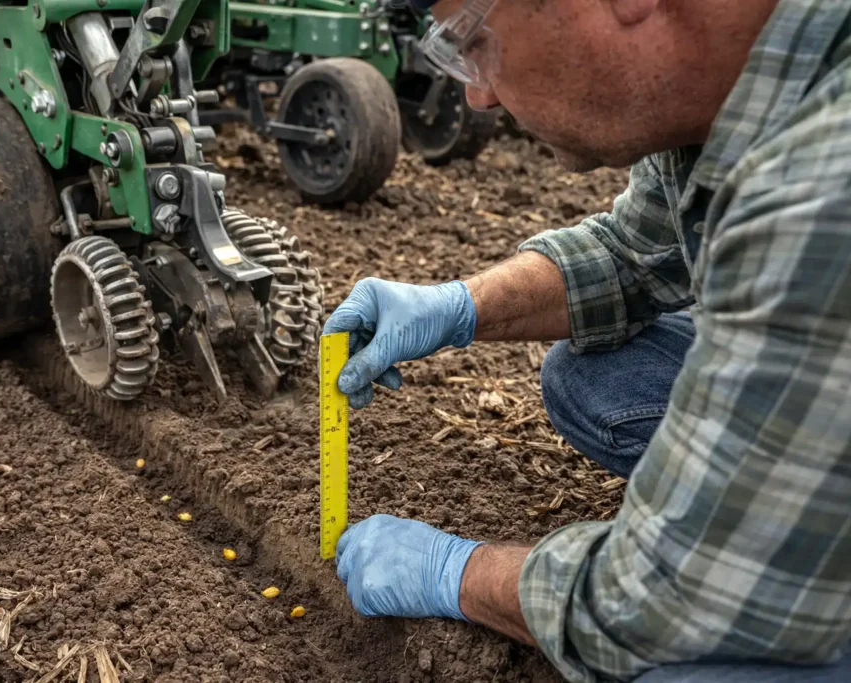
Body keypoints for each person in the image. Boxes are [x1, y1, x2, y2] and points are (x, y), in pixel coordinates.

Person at [322, 0, 851, 681]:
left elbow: (658, 608)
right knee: (600, 376)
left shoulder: (821, 182)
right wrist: (458, 307)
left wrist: (457, 573)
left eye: (474, 40)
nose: (476, 92)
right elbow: (637, 251)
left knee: (704, 663)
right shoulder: (724, 92)